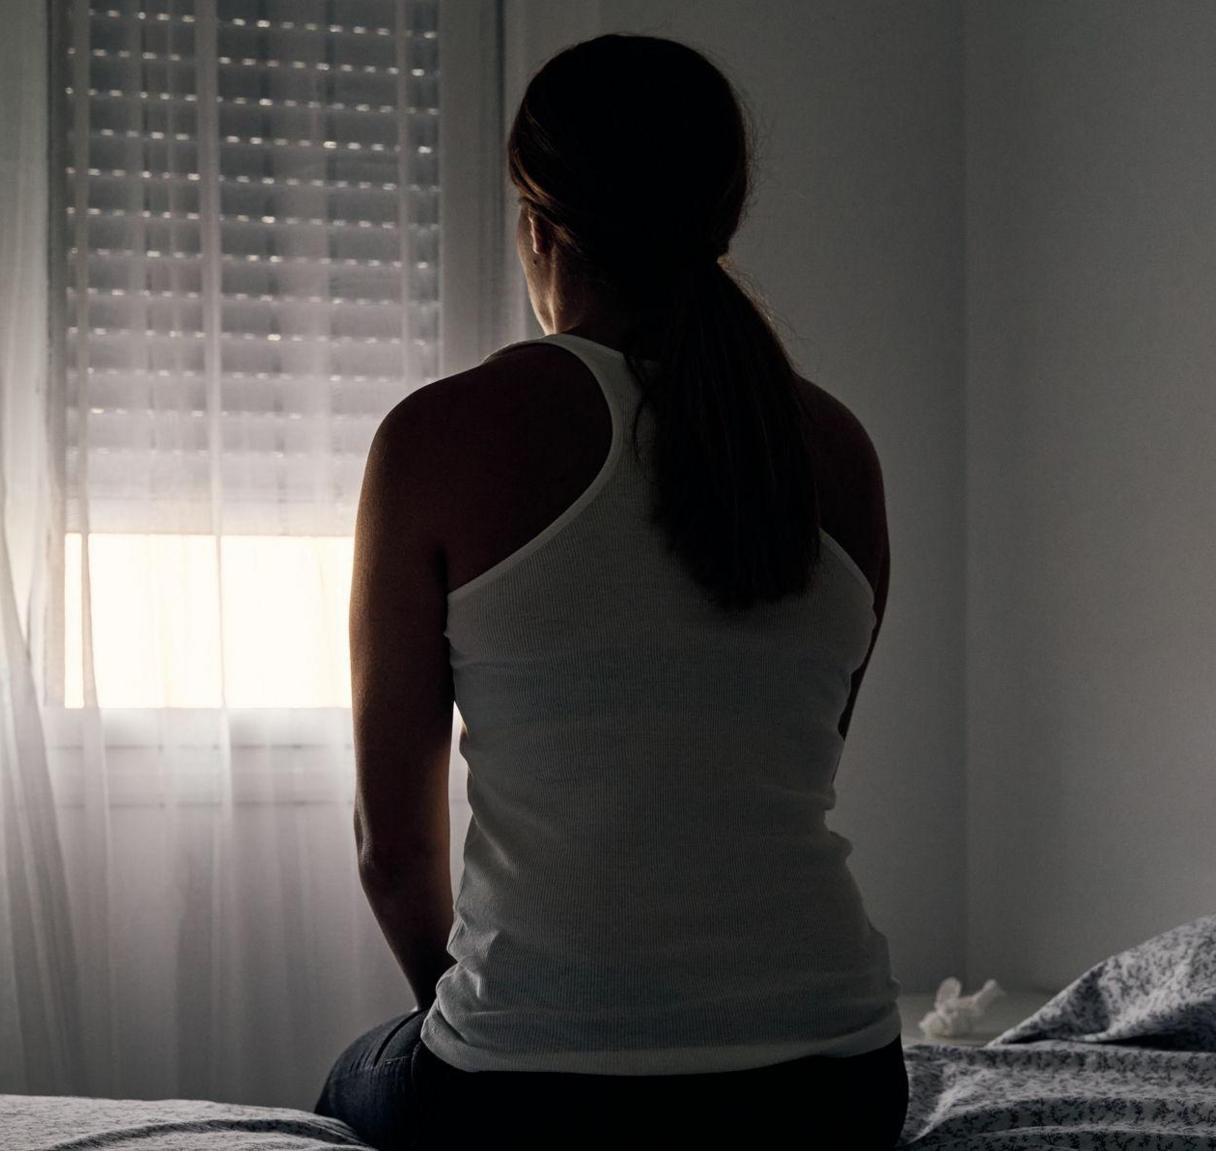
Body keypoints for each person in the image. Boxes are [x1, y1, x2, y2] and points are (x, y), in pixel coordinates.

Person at [317, 33, 906, 1150]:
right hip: (835, 1083)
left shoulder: (439, 437)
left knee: (347, 1082)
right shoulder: (835, 447)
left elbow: (391, 851)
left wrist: (505, 1021)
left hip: (535, 1094)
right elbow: (786, 763)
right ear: (720, 219)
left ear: (536, 221)